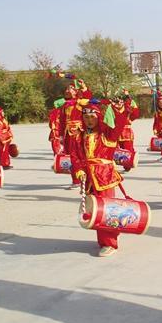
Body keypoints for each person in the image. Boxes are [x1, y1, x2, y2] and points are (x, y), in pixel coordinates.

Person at [71, 100, 130, 256]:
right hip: (89, 178)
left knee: (106, 210)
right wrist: (79, 170)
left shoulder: (106, 134)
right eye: (86, 117)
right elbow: (75, 155)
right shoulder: (80, 136)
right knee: (96, 211)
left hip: (105, 177)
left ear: (99, 117)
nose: (89, 120)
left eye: (92, 117)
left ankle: (110, 243)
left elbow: (119, 126)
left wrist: (119, 110)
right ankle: (106, 238)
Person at [60, 81, 92, 188]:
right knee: (72, 157)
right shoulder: (65, 105)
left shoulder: (80, 102)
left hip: (79, 132)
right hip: (68, 134)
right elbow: (62, 121)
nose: (67, 90)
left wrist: (84, 87)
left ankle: (86, 178)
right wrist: (61, 135)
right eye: (67, 88)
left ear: (76, 91)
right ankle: (76, 180)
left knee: (83, 155)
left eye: (70, 88)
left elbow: (89, 99)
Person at [113, 92, 140, 172]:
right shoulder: (111, 110)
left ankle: (128, 164)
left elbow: (135, 114)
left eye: (120, 101)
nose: (118, 103)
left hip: (126, 133)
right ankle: (114, 165)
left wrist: (127, 96)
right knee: (114, 149)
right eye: (116, 102)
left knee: (128, 149)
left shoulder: (127, 108)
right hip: (115, 133)